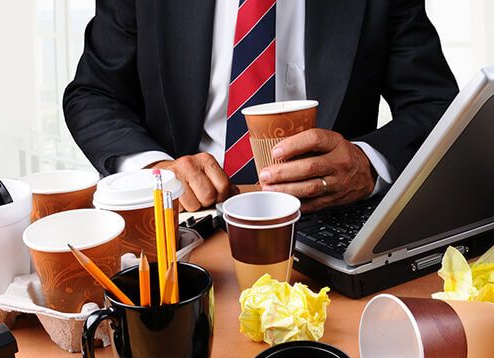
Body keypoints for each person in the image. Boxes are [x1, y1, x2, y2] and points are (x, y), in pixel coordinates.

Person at [63, 0, 458, 212]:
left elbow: (436, 105)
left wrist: (366, 164)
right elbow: (94, 94)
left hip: (324, 222)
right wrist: (154, 171)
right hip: (185, 224)